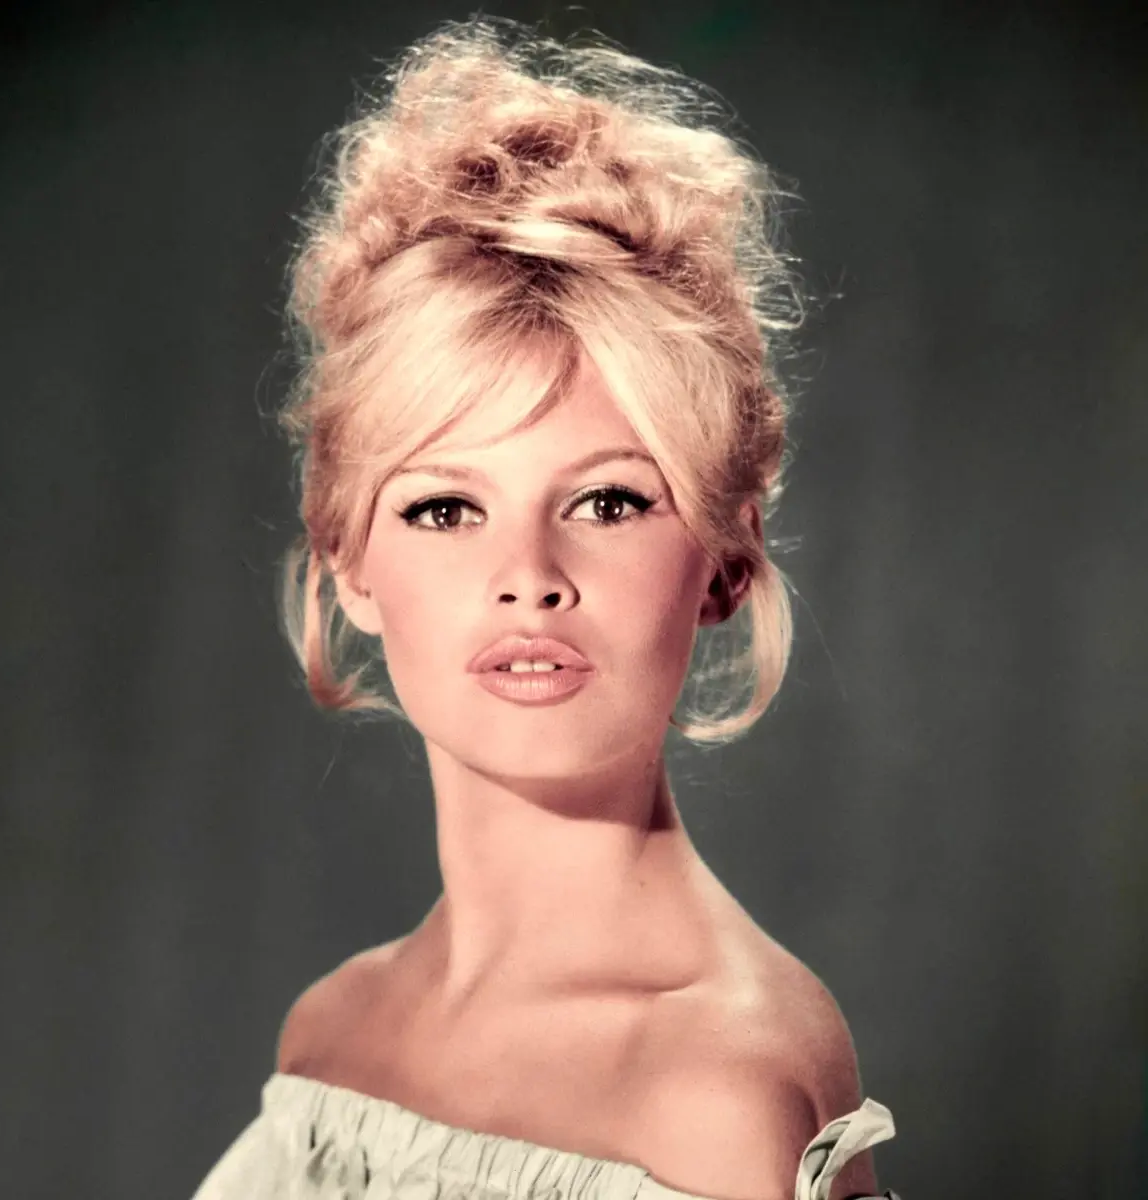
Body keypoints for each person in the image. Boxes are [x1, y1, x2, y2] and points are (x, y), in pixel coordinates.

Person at [190, 16, 900, 1200]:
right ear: (348, 562)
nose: (528, 572)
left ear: (726, 559)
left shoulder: (718, 1089)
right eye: (444, 508)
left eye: (609, 501)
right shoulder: (331, 1038)